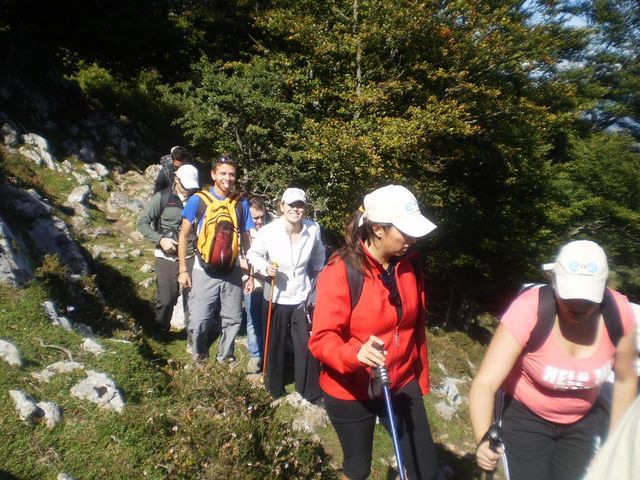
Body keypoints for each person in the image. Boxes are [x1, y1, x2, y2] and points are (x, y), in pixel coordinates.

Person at [470, 240, 638, 480]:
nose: (578, 304)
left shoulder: (619, 314)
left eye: (588, 297)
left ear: (603, 290)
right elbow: (485, 383)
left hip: (583, 421)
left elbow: (625, 380)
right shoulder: (529, 309)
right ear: (555, 282)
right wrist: (484, 438)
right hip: (526, 417)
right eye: (570, 295)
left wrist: (613, 445)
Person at [308, 184, 440, 480]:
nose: (413, 238)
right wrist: (355, 353)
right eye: (405, 232)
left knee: (426, 472)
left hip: (401, 381)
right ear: (378, 229)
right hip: (351, 389)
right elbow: (321, 339)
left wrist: (420, 380)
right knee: (358, 469)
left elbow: (414, 329)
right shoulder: (340, 271)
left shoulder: (411, 266)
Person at [246, 188, 325, 400]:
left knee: (306, 343)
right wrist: (264, 268)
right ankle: (274, 388)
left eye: (300, 205)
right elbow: (252, 254)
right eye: (291, 205)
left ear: (305, 208)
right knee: (275, 342)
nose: (295, 209)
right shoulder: (269, 231)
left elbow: (319, 256)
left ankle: (309, 391)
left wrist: (320, 278)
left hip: (301, 296)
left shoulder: (313, 229)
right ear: (282, 206)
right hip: (276, 296)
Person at [177, 153, 254, 362]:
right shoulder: (198, 200)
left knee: (233, 319)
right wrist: (183, 270)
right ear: (213, 174)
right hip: (203, 269)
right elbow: (184, 234)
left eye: (231, 174)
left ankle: (225, 360)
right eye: (223, 173)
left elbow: (246, 239)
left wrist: (252, 273)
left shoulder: (241, 203)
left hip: (232, 269)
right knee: (199, 320)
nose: (227, 178)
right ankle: (199, 358)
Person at [137, 164, 200, 336]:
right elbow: (141, 222)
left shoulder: (200, 200)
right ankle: (161, 328)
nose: (188, 190)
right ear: (176, 180)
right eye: (185, 186)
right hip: (166, 256)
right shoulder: (162, 197)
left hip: (191, 255)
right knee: (166, 299)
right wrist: (160, 240)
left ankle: (193, 335)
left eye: (192, 187)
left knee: (194, 298)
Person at [239, 195, 270, 373]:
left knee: (269, 320)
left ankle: (269, 355)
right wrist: (260, 269)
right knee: (253, 321)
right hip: (251, 282)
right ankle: (255, 357)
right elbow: (239, 259)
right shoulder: (242, 232)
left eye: (261, 217)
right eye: (255, 218)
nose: (259, 221)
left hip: (271, 283)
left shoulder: (272, 230)